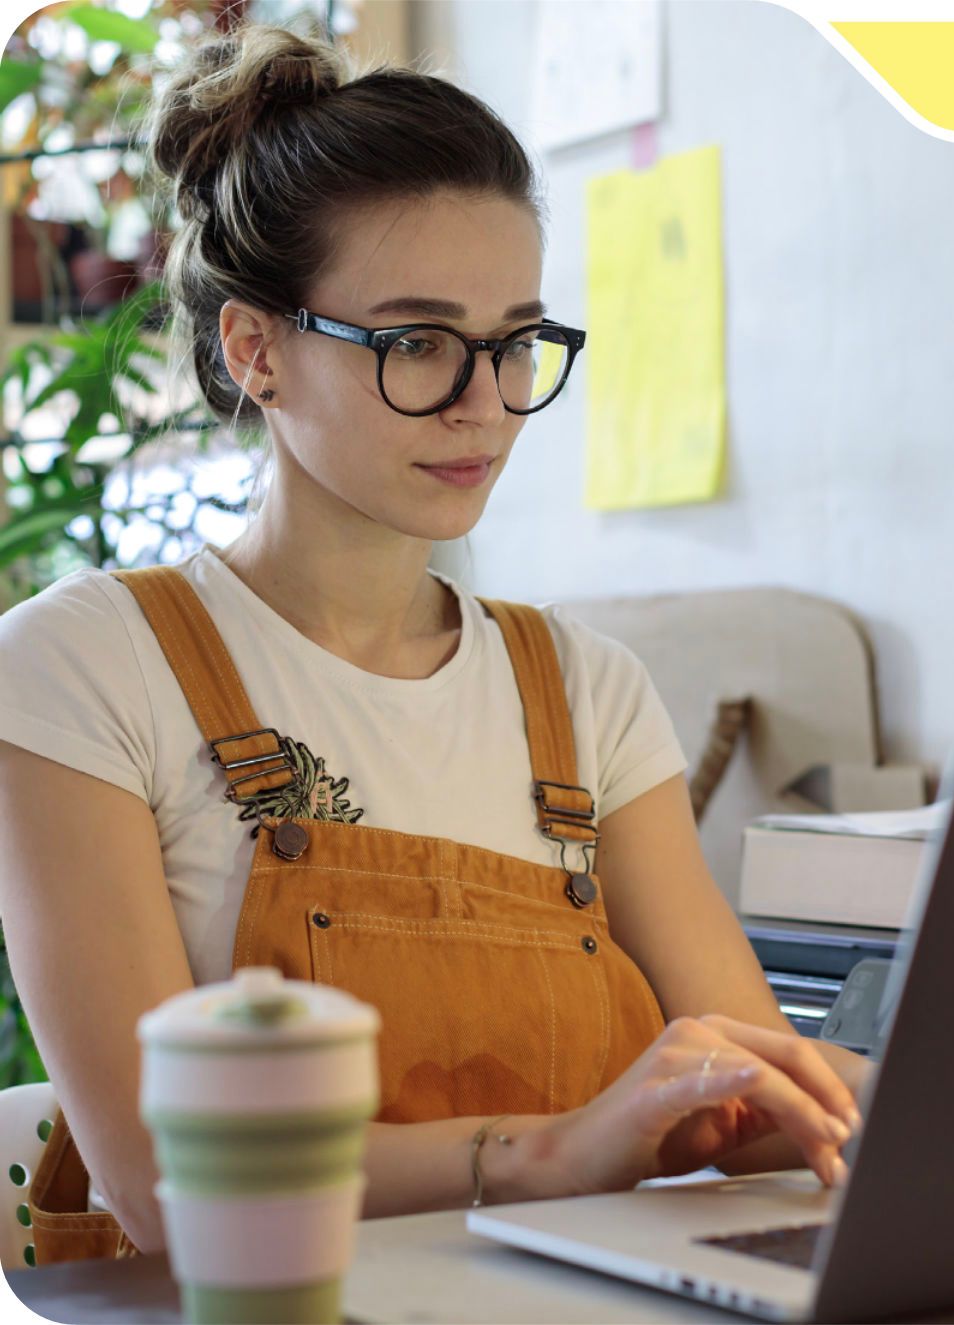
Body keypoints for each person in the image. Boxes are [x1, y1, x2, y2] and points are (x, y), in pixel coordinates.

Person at [0, 23, 868, 1261]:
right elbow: (162, 1182)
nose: (483, 401)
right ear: (256, 350)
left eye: (516, 342)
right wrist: (558, 1149)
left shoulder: (584, 691)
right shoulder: (84, 664)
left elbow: (750, 1085)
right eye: (417, 343)